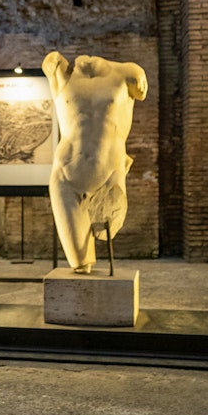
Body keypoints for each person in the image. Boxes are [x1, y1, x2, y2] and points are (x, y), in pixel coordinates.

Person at [42, 51, 148, 273]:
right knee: (79, 263)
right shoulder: (60, 75)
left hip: (108, 172)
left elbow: (140, 92)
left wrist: (136, 71)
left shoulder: (127, 73)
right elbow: (50, 61)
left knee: (105, 232)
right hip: (65, 174)